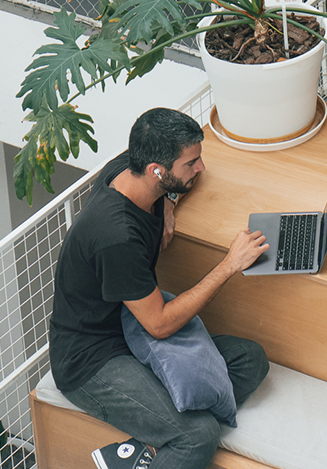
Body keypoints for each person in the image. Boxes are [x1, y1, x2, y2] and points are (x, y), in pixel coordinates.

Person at [49, 108, 270, 469]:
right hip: (92, 359)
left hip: (130, 328)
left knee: (250, 359)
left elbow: (176, 171)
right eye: (191, 164)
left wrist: (167, 202)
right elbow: (161, 324)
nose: (200, 169)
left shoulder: (130, 169)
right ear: (157, 170)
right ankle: (163, 439)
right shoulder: (116, 238)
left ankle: (149, 440)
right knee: (198, 435)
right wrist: (229, 265)